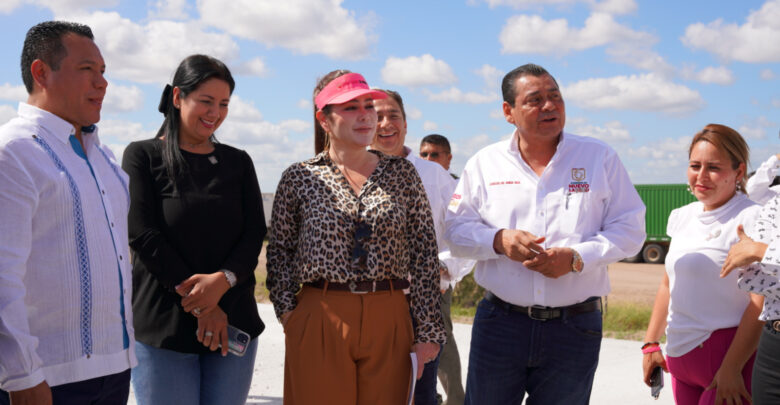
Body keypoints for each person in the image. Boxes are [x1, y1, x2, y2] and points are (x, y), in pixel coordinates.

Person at [445, 63, 646, 405]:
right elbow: (455, 230)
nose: (550, 106)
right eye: (535, 100)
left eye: (555, 96)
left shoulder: (599, 158)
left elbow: (630, 227)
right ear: (508, 111)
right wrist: (499, 241)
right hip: (500, 325)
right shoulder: (484, 163)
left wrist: (578, 258)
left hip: (575, 328)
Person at [266, 70, 445, 405]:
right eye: (350, 107)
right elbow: (279, 251)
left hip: (390, 314)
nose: (365, 114)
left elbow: (423, 253)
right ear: (324, 119)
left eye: (368, 105)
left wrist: (428, 332)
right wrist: (290, 314)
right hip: (319, 313)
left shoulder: (402, 174)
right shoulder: (300, 177)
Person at [0, 21, 135, 405]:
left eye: (103, 71)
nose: (102, 83)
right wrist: (21, 375)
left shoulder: (105, 157)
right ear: (41, 73)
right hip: (47, 378)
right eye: (86, 69)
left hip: (114, 370)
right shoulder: (13, 152)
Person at [122, 54, 265, 405]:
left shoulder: (238, 161)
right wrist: (204, 306)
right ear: (176, 97)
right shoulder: (142, 156)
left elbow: (253, 233)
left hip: (234, 321)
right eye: (205, 101)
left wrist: (224, 280)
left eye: (224, 104)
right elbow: (143, 235)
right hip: (163, 327)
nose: (214, 112)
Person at [642, 124, 764, 405]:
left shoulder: (752, 217)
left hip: (727, 360)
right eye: (695, 165)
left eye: (713, 167)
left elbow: (759, 302)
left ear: (739, 171)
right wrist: (650, 344)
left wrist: (732, 368)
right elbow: (667, 283)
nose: (701, 176)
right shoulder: (681, 216)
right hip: (679, 360)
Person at [370, 91, 470, 405]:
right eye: (376, 117)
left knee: (420, 393)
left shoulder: (434, 176)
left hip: (421, 308)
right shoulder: (352, 172)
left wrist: (444, 270)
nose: (385, 124)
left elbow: (464, 232)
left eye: (393, 115)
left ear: (406, 122)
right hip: (365, 307)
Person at [420, 133, 471, 405]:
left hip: (436, 284)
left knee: (443, 348)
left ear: (449, 159)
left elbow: (464, 237)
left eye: (435, 154)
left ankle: (456, 400)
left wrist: (442, 266)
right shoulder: (413, 182)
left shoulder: (455, 189)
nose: (429, 159)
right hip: (405, 284)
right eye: (424, 154)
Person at [722, 195, 780, 404]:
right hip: (773, 341)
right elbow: (752, 279)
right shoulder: (776, 200)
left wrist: (759, 251)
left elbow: (755, 256)